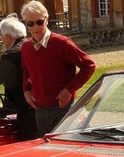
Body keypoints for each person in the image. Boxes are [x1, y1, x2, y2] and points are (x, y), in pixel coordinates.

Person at [20, 0, 95, 136]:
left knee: (69, 150)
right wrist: (27, 90)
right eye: (30, 23)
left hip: (63, 108)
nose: (35, 27)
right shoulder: (26, 47)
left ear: (47, 20)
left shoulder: (61, 43)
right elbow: (26, 71)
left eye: (39, 22)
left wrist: (69, 89)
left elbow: (89, 65)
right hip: (40, 110)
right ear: (25, 23)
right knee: (47, 151)